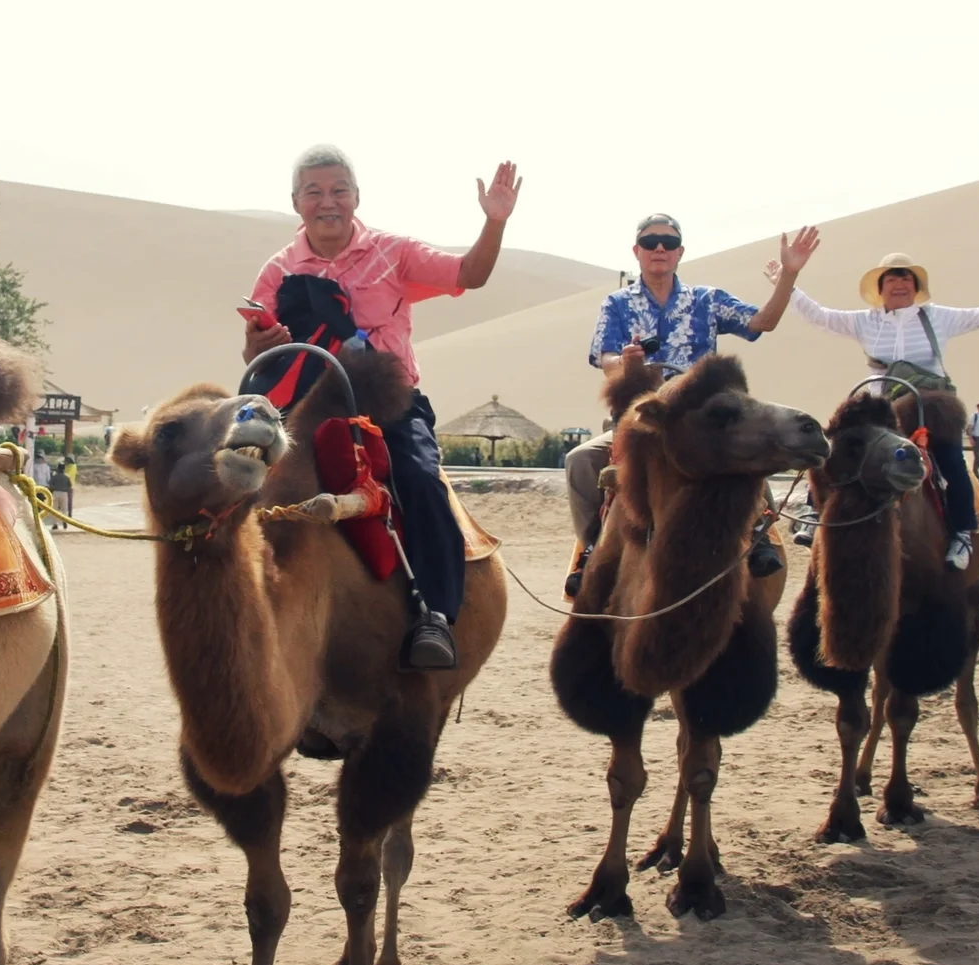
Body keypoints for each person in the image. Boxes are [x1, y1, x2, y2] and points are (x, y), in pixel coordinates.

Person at [243, 146, 521, 670]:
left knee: (419, 479)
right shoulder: (278, 271)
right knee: (237, 482)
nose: (327, 202)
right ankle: (239, 610)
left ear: (356, 197)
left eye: (338, 190)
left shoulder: (394, 252)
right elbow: (257, 353)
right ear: (296, 202)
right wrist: (260, 343)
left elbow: (470, 273)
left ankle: (436, 615)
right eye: (314, 192)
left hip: (389, 404)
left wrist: (494, 222)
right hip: (304, 410)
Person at [562, 216, 820, 565]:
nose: (659, 248)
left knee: (750, 446)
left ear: (679, 252)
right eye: (650, 242)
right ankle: (592, 550)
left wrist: (789, 274)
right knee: (579, 461)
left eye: (668, 243)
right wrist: (624, 361)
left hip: (704, 421)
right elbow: (605, 357)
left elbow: (763, 321)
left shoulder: (706, 300)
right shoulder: (617, 304)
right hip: (643, 420)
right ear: (637, 251)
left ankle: (758, 533)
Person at [787, 252, 979, 571]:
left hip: (929, 411)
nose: (899, 284)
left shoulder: (937, 317)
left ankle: (962, 534)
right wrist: (788, 282)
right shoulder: (865, 321)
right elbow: (819, 315)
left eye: (906, 278)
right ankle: (813, 511)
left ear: (915, 286)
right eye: (891, 278)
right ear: (880, 288)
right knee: (835, 447)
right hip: (881, 413)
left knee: (952, 462)